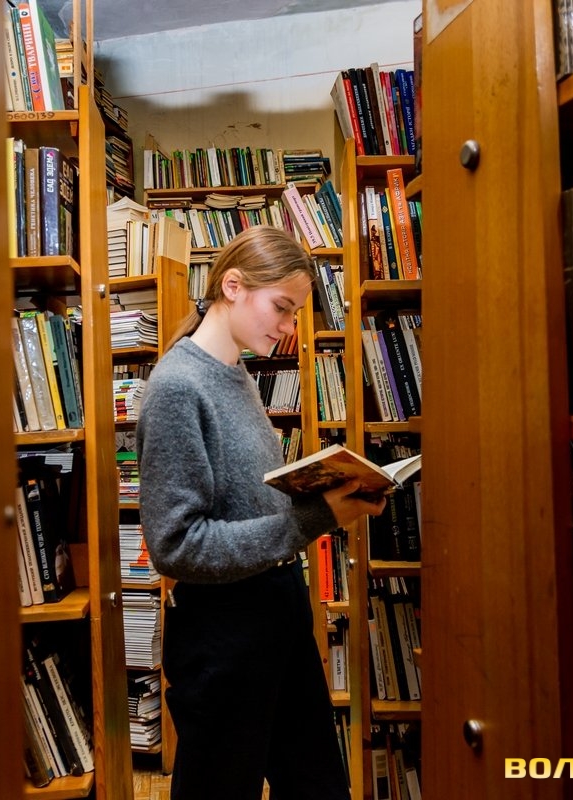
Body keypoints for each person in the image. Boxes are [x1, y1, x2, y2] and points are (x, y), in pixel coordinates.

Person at [136, 224, 386, 800]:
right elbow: (178, 546)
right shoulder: (177, 388)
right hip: (224, 632)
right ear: (233, 286)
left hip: (277, 610)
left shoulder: (237, 373)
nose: (289, 327)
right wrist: (318, 516)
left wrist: (324, 489)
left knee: (320, 787)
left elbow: (249, 501)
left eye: (294, 313)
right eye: (282, 307)